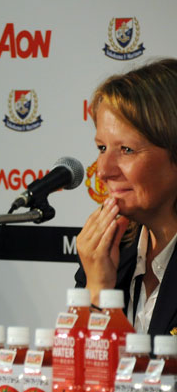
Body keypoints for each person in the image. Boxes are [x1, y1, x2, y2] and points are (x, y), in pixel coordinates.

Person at [75, 58, 177, 336]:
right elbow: (80, 362)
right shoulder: (107, 250)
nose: (103, 171)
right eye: (102, 147)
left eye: (127, 150)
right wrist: (97, 290)